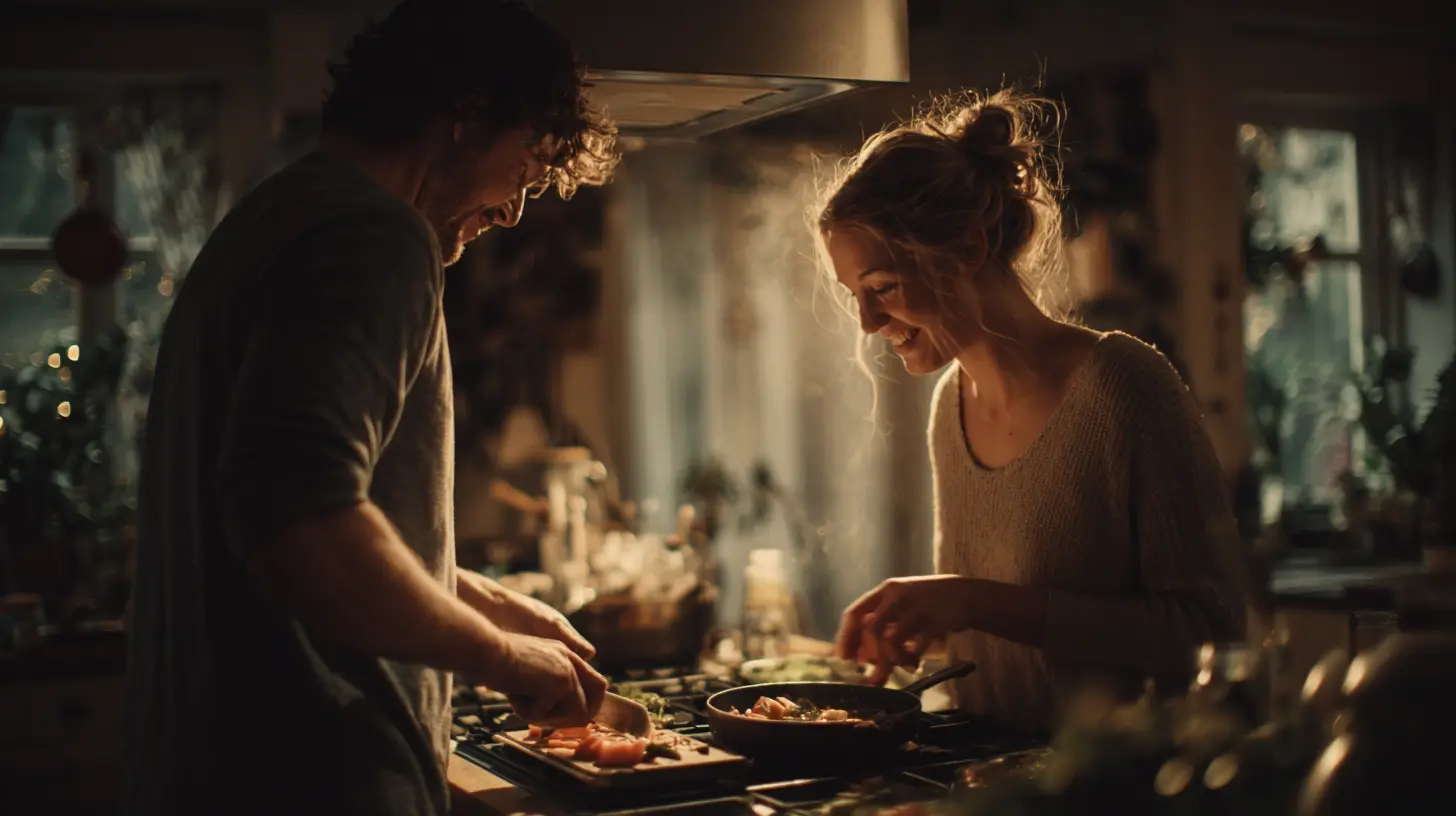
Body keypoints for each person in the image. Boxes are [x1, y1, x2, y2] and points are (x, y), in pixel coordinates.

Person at [123, 1, 618, 814]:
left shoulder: (265, 222)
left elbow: (275, 502)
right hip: (312, 776)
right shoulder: (374, 237)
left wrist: (480, 596)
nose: (513, 212)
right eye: (524, 169)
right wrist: (501, 656)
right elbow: (302, 528)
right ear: (467, 115)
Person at [820, 89, 1248, 733]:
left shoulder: (1125, 387)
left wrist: (971, 600)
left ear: (965, 248)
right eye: (856, 294)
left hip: (1116, 788)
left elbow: (1210, 634)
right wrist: (922, 628)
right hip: (992, 786)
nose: (868, 321)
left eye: (881, 288)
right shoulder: (950, 407)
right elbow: (1008, 641)